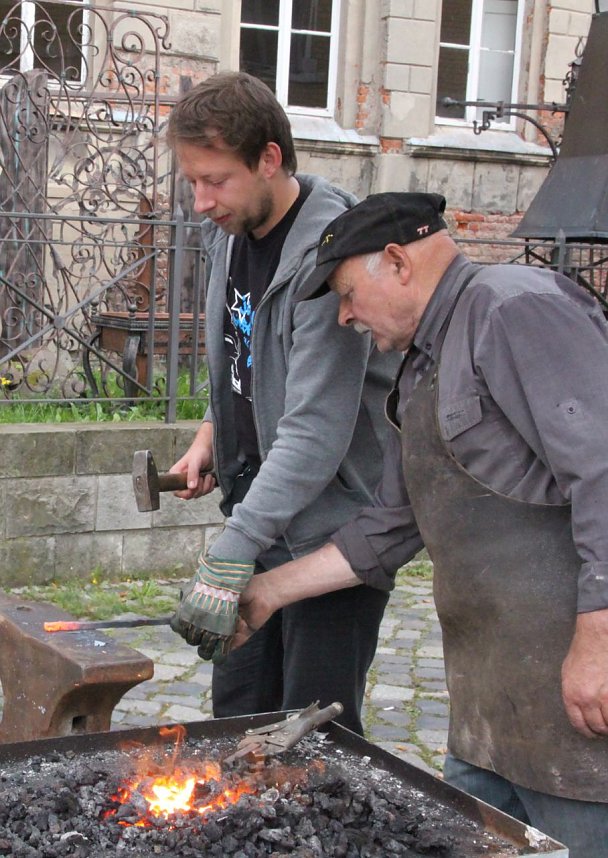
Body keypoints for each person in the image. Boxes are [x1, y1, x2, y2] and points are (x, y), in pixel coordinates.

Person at [229, 192, 608, 858]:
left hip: (574, 718)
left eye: (347, 292)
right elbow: (387, 529)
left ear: (398, 262)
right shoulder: (421, 368)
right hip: (490, 721)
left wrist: (599, 638)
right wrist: (265, 592)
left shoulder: (512, 309)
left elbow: (602, 469)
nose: (344, 316)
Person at [165, 72, 399, 735]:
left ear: (270, 158)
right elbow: (245, 356)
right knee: (236, 719)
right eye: (192, 181)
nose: (201, 200)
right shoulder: (230, 233)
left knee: (312, 739)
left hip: (332, 539)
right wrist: (215, 429)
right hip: (261, 518)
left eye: (216, 180)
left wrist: (229, 549)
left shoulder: (332, 259)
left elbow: (316, 428)